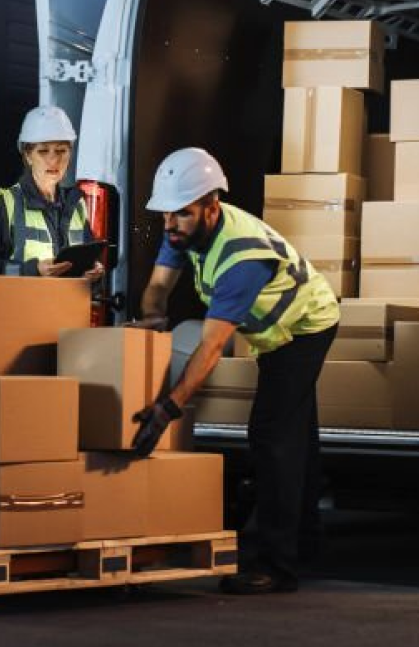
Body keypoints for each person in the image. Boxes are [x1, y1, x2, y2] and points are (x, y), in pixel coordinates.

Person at [129, 147, 338, 595]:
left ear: (211, 206)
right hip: (276, 331)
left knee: (271, 436)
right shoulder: (181, 226)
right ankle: (308, 541)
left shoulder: (241, 259)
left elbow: (213, 345)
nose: (170, 226)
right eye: (166, 215)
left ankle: (277, 567)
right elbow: (158, 289)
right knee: (297, 433)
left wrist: (169, 407)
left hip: (304, 328)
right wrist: (147, 329)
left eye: (181, 215)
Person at [0, 105, 104, 282]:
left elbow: (86, 274)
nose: (53, 159)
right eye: (43, 151)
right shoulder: (7, 205)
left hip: (67, 309)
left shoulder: (77, 206)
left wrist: (92, 275)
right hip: (24, 309)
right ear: (27, 155)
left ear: (70, 154)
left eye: (61, 151)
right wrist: (32, 270)